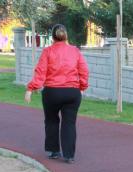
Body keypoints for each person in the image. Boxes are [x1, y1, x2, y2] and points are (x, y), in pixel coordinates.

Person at [24, 24, 89, 164]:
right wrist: (82, 87)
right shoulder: (75, 51)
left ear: (52, 37)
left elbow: (40, 72)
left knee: (51, 120)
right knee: (69, 123)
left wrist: (30, 89)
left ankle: (53, 151)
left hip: (52, 92)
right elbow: (84, 71)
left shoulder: (47, 51)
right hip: (72, 92)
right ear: (66, 36)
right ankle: (69, 155)